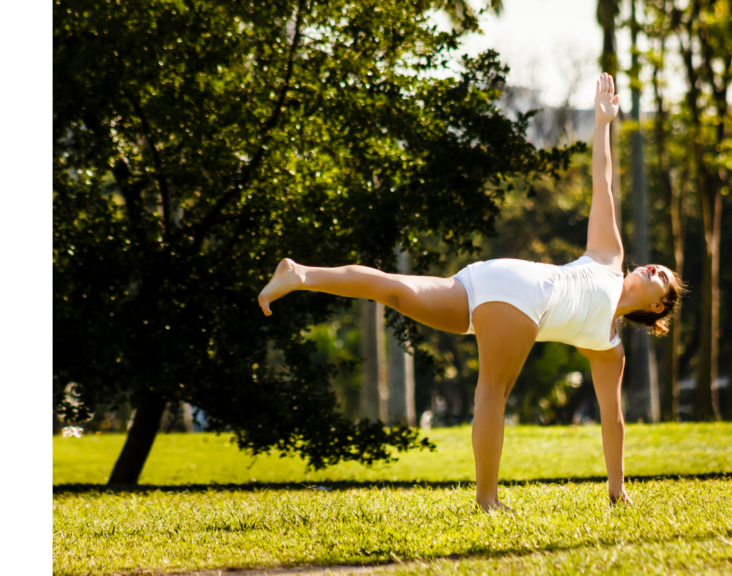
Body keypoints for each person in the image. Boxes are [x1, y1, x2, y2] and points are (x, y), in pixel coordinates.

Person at [258, 74, 685, 511]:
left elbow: (613, 421)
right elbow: (603, 184)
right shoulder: (609, 258)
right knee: (492, 393)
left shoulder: (609, 348)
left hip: (494, 284)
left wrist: (618, 488)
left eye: (662, 279)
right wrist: (601, 123)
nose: (656, 269)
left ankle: (302, 274)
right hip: (523, 294)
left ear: (655, 308)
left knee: (396, 292)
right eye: (659, 268)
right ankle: (487, 502)